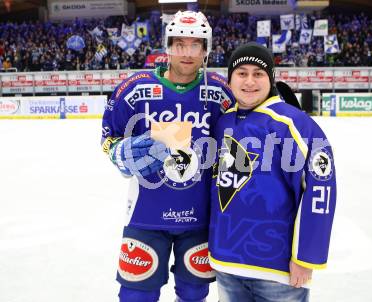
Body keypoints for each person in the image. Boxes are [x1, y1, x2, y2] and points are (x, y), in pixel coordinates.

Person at [101, 11, 234, 302]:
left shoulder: (221, 94)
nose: (187, 52)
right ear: (167, 46)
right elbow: (108, 137)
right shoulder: (133, 89)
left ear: (206, 49)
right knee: (135, 295)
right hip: (145, 215)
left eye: (196, 44)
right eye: (179, 44)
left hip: (199, 218)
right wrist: (119, 153)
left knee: (194, 294)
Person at [208, 42, 337, 302]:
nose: (249, 81)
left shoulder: (294, 123)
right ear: (230, 79)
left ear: (271, 78)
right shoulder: (222, 122)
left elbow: (321, 189)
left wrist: (306, 256)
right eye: (241, 73)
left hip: (278, 272)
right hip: (226, 264)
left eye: (258, 74)